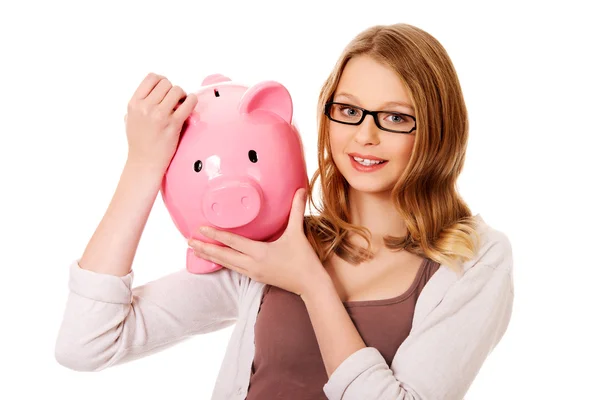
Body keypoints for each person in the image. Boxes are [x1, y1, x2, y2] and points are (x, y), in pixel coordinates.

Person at [55, 23, 514, 400]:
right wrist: (143, 165)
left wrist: (311, 284)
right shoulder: (278, 243)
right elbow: (88, 342)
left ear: (437, 129)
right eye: (348, 110)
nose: (364, 136)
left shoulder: (474, 260)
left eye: (395, 117)